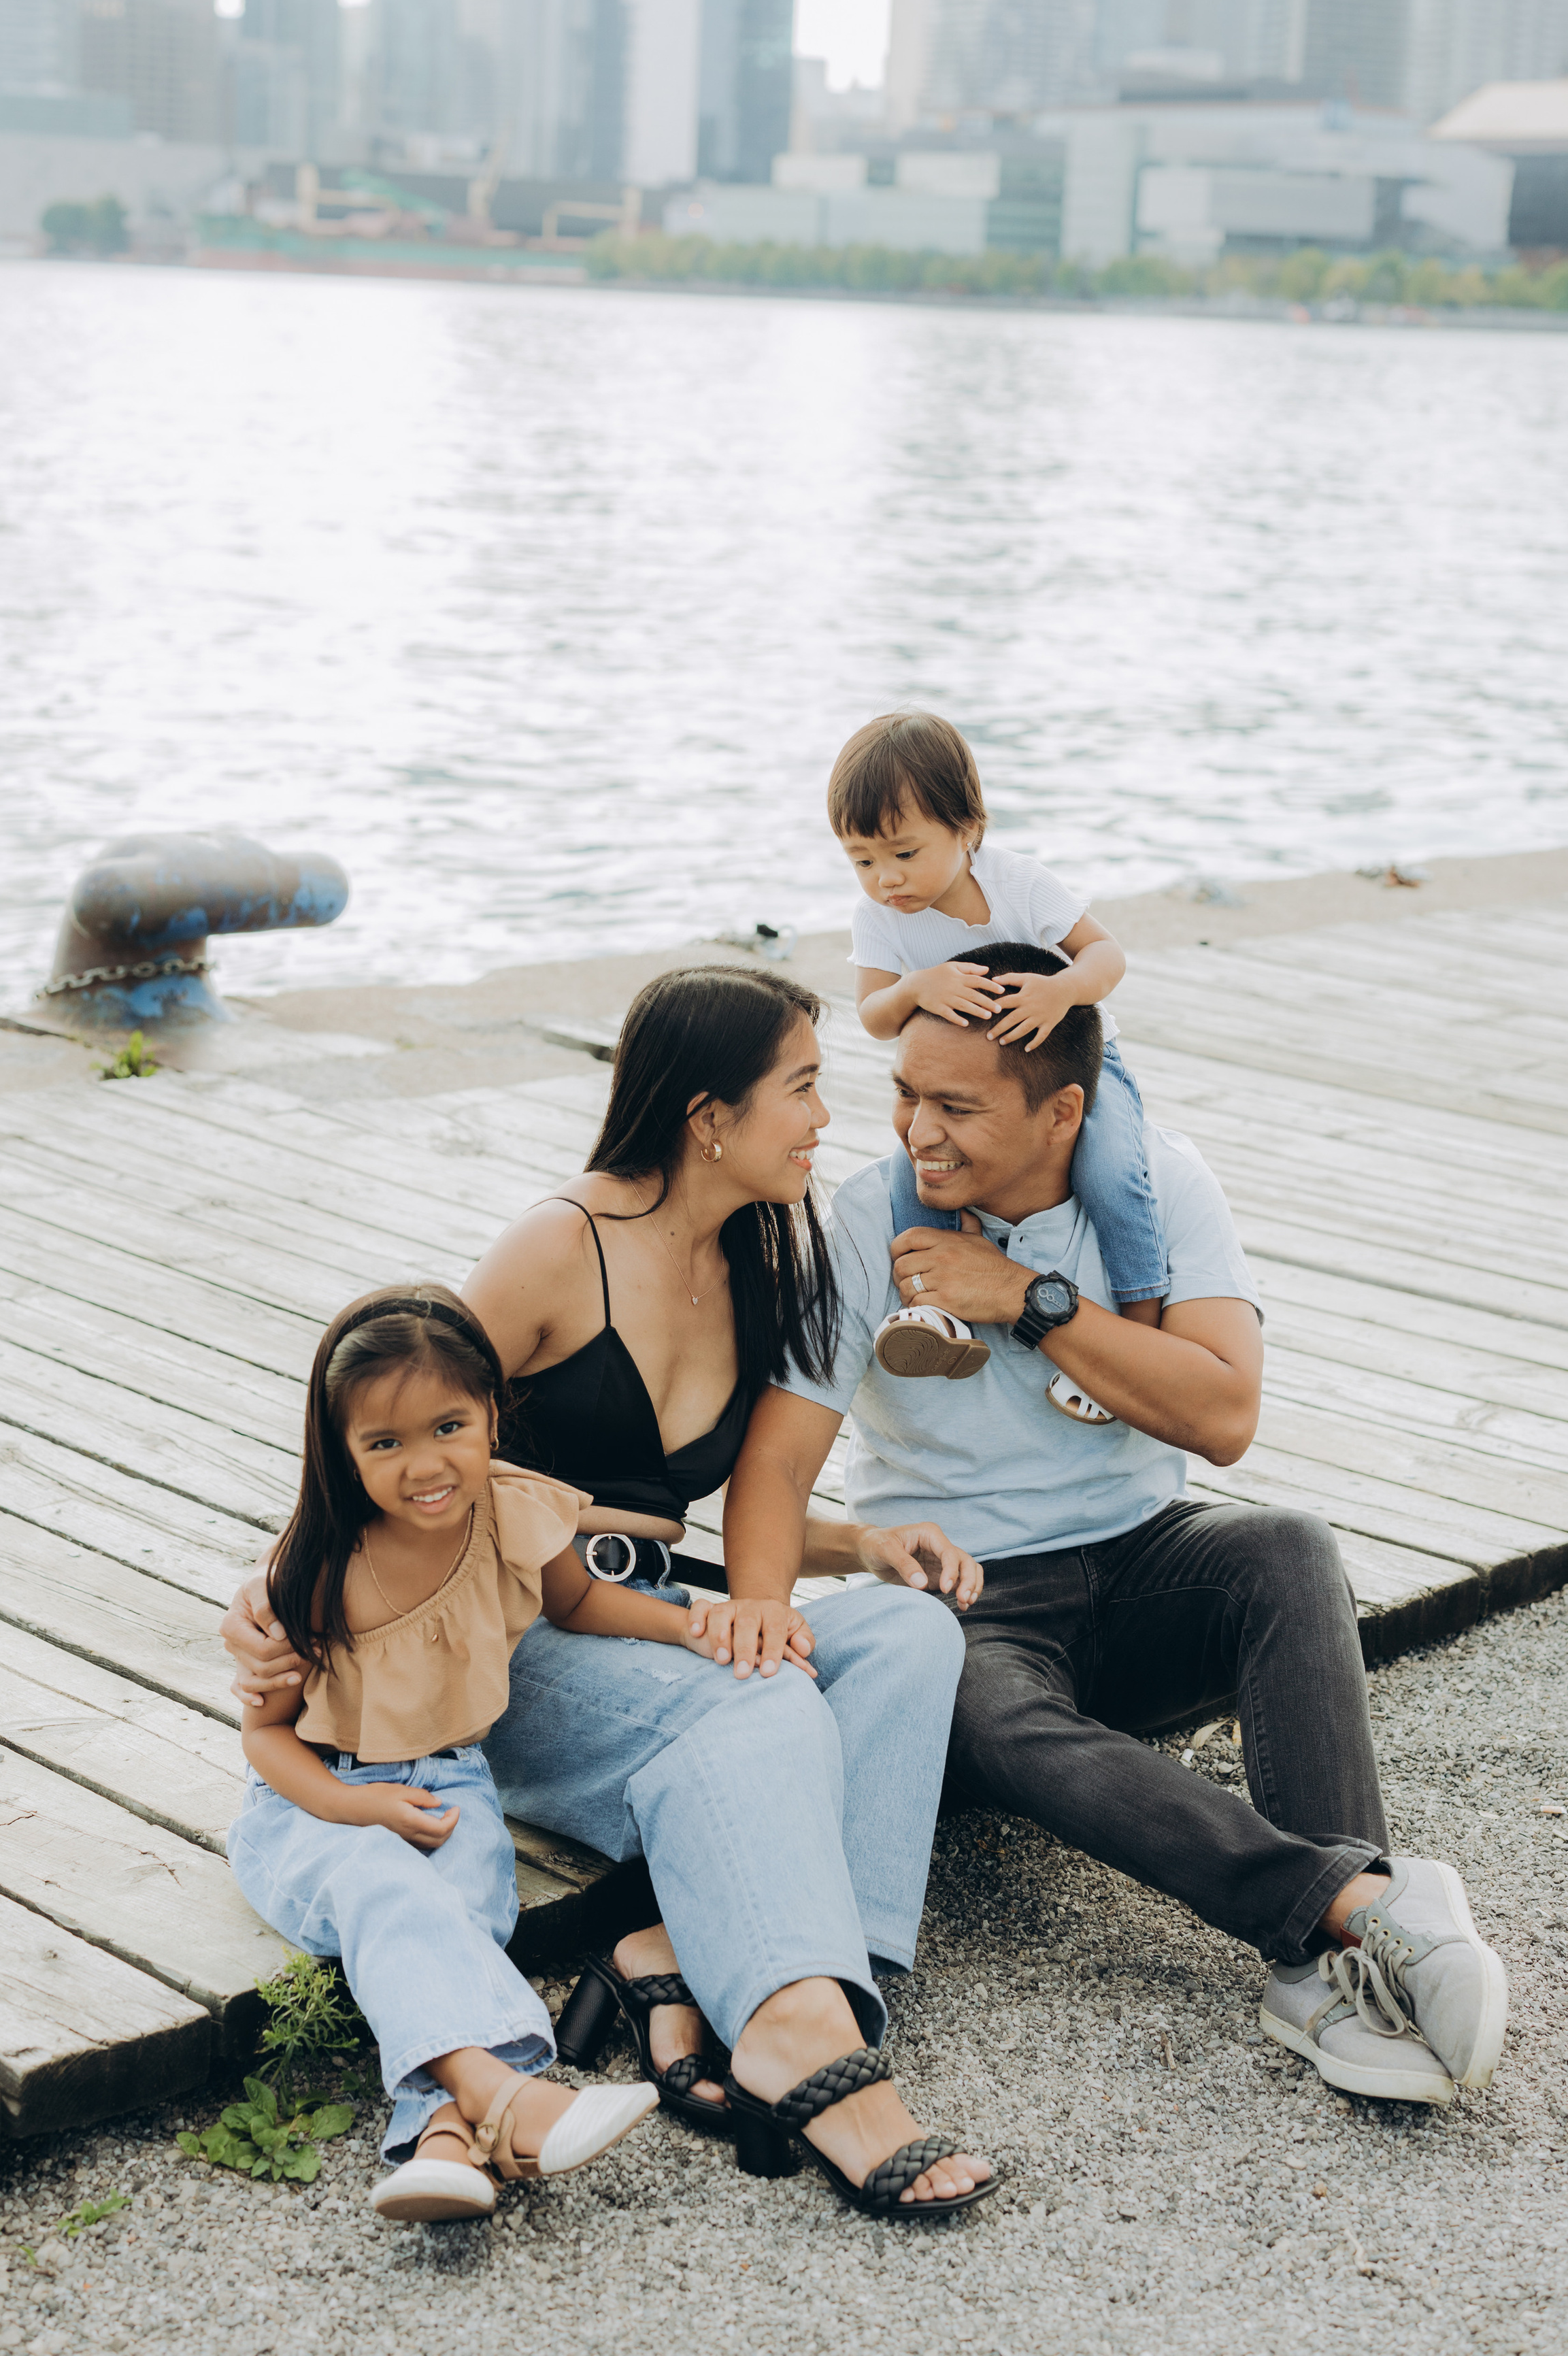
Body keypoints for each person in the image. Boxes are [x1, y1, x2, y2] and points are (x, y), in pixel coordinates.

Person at [227, 965, 999, 2221]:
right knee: (761, 1701)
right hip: (517, 1646)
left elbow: (699, 1512)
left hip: (645, 1614)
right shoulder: (559, 1247)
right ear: (708, 1115)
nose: (824, 1119)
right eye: (802, 1087)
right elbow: (394, 1436)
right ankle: (799, 2041)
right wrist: (274, 1604)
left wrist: (861, 1547)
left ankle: (735, 1969)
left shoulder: (754, 1255)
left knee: (906, 1640)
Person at [721, 941, 1509, 2108]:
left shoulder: (1155, 1188)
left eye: (954, 1106)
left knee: (1286, 1547)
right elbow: (775, 1470)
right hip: (967, 1603)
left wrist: (1029, 1301)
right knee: (970, 1692)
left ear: (1063, 1113)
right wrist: (766, 1635)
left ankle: (1329, 1959)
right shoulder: (862, 1222)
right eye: (903, 1095)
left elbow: (1225, 1415)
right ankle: (1348, 1918)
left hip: (1141, 1565)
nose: (914, 1132)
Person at [227, 1282, 669, 2225]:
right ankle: (519, 2100)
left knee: (463, 1912)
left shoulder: (512, 1511)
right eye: (383, 1444)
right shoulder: (313, 1573)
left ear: (492, 1415)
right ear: (341, 1453)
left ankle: (442, 2145)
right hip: (318, 1803)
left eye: (448, 1427)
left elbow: (579, 1605)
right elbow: (264, 1737)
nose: (423, 1465)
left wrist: (699, 1628)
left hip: (454, 1781)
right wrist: (362, 1810)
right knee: (389, 1889)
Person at [830, 711, 1166, 1393]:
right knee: (911, 1185)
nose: (884, 879)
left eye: (903, 853)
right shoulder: (880, 921)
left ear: (967, 829)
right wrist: (917, 986)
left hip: (1074, 1068)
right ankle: (933, 1317)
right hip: (959, 1093)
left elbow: (1105, 954)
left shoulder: (1019, 884)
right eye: (861, 860)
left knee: (1112, 1174)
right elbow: (872, 1015)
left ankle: (1142, 1327)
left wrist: (1061, 991)